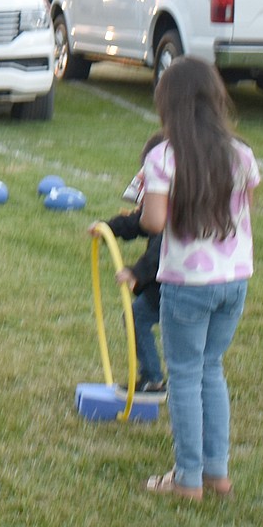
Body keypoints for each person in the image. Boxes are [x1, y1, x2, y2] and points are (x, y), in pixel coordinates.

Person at [139, 57, 260, 500]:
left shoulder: (164, 156)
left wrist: (150, 198)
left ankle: (186, 478)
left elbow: (153, 221)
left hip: (188, 283)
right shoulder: (240, 153)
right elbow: (245, 206)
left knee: (186, 375)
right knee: (212, 370)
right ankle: (217, 473)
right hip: (234, 281)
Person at [89, 131, 166, 393]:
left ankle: (154, 378)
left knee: (137, 317)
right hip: (175, 280)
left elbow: (164, 245)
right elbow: (139, 221)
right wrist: (108, 227)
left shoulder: (173, 206)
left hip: (174, 282)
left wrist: (136, 272)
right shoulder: (163, 202)